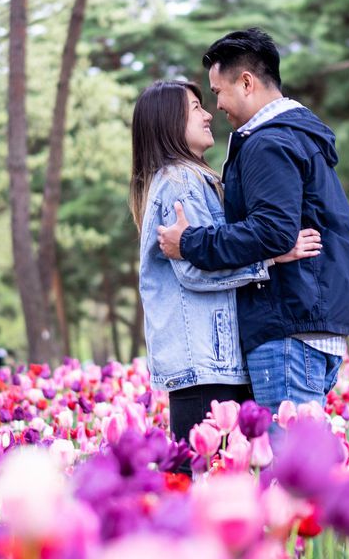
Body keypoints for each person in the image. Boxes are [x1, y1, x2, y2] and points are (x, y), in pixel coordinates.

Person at [158, 28, 349, 416]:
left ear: (247, 82)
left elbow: (272, 231)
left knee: (288, 469)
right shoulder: (298, 135)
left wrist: (189, 243)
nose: (216, 106)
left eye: (218, 91)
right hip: (308, 320)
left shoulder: (268, 142)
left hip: (287, 325)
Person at [130, 80, 321, 451]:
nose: (208, 114)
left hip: (209, 362)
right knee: (207, 482)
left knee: (213, 481)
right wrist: (271, 256)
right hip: (204, 365)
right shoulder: (179, 181)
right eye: (194, 107)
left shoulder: (193, 178)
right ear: (168, 122)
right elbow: (195, 268)